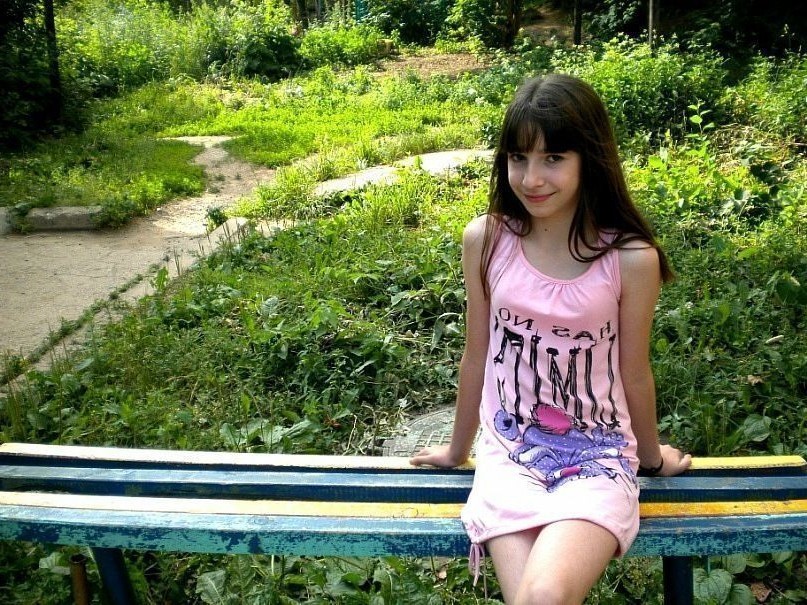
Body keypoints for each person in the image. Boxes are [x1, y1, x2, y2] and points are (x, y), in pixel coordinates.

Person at [410, 73, 692, 605]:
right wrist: (456, 449)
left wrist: (652, 459)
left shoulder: (631, 259)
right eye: (519, 158)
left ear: (591, 159)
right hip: (510, 455)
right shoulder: (486, 240)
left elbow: (635, 372)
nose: (531, 178)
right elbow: (477, 355)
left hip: (597, 457)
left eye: (554, 158)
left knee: (542, 595)